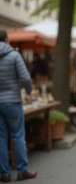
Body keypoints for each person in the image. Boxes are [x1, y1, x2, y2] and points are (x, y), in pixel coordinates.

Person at [0, 30, 37, 182]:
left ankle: (5, 173)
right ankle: (22, 171)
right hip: (13, 101)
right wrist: (28, 91)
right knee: (18, 136)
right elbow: (26, 77)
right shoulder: (14, 55)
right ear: (7, 40)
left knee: (1, 138)